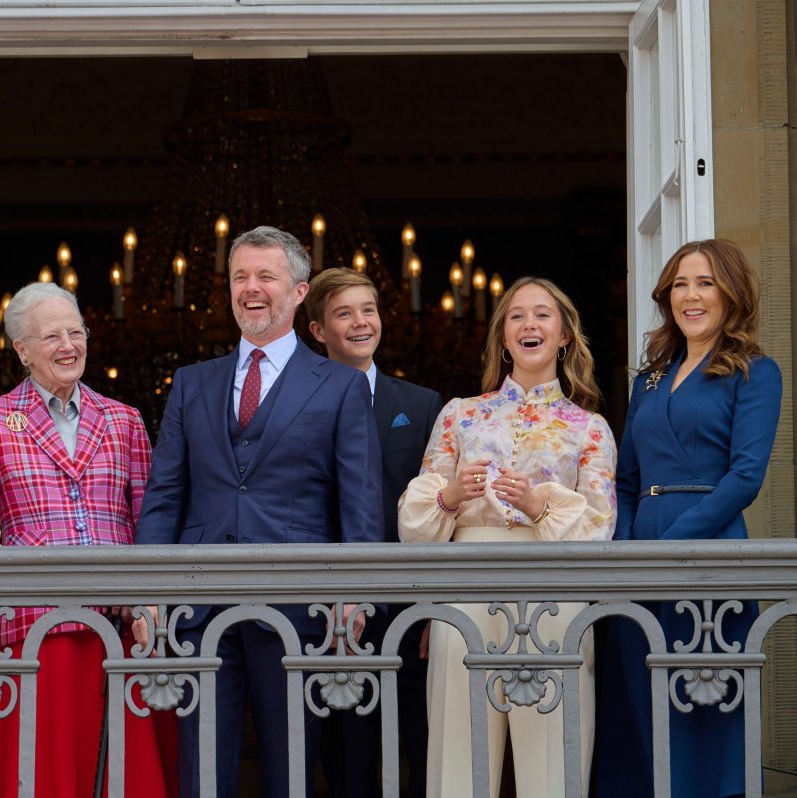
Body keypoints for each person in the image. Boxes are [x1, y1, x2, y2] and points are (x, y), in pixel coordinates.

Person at [134, 226, 384, 798]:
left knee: (291, 770)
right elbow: (165, 495)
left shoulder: (341, 386)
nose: (252, 289)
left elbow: (360, 501)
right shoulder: (192, 383)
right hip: (198, 606)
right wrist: (146, 588)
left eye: (266, 276)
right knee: (203, 773)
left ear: (299, 291)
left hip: (301, 608)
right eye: (240, 277)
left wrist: (356, 593)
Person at [0, 281, 174, 798]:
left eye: (77, 332)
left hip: (116, 620)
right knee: (43, 770)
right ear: (22, 349)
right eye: (52, 336)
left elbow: (149, 514)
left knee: (123, 771)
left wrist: (150, 598)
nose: (69, 345)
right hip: (36, 622)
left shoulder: (124, 419)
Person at [398, 276, 615, 798]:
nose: (528, 324)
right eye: (516, 316)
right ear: (502, 335)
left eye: (542, 314)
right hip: (466, 584)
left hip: (554, 590)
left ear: (564, 334)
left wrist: (541, 507)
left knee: (553, 753)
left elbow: (600, 527)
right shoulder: (460, 414)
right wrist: (450, 496)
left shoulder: (590, 427)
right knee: (457, 749)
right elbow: (415, 521)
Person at [594, 239, 781, 798]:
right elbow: (625, 478)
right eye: (680, 284)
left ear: (731, 294)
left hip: (710, 550)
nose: (691, 296)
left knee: (707, 697)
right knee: (640, 698)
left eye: (705, 282)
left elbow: (745, 478)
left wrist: (672, 545)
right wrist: (628, 549)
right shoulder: (647, 379)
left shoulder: (754, 371)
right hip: (639, 555)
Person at [304, 268, 442, 798]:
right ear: (318, 330)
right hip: (329, 607)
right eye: (344, 313)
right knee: (348, 756)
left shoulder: (422, 405)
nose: (362, 322)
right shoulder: (297, 406)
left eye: (369, 309)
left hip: (410, 606)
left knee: (423, 743)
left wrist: (434, 606)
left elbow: (438, 511)